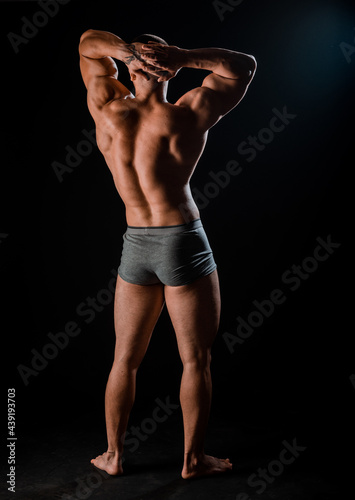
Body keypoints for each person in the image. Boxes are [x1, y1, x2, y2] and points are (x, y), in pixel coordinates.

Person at [78, 29, 256, 479]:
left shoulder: (107, 112)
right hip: (182, 239)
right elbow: (243, 66)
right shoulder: (188, 114)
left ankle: (114, 456)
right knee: (196, 359)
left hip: (135, 242)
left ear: (132, 70)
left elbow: (86, 44)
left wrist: (126, 53)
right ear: (167, 70)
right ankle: (192, 461)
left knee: (124, 359)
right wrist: (185, 56)